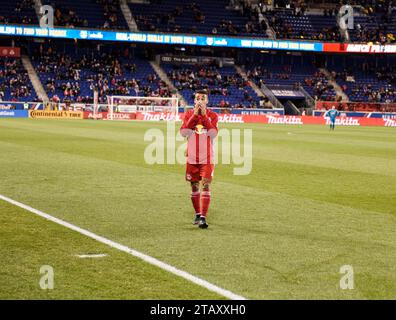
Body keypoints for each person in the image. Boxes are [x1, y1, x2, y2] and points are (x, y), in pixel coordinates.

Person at [180, 90, 218, 229]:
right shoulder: (189, 114)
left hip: (207, 157)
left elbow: (213, 133)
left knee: (206, 184)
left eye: (203, 98)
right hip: (191, 156)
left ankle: (203, 217)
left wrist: (204, 117)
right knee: (194, 185)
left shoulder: (213, 116)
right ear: (194, 101)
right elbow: (184, 132)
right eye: (198, 98)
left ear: (207, 101)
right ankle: (197, 214)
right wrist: (195, 115)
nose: (200, 100)